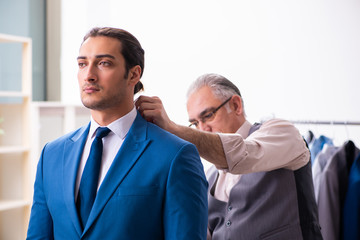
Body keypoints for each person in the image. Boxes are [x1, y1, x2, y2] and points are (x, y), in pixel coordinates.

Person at [26, 27, 208, 240]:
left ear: (133, 74)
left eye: (104, 63)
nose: (89, 75)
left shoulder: (175, 156)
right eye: (82, 64)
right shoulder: (52, 154)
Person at [136, 73, 323, 240]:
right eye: (194, 123)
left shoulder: (282, 132)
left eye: (208, 116)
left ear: (235, 105)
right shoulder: (209, 177)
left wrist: (171, 128)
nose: (203, 128)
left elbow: (241, 155)